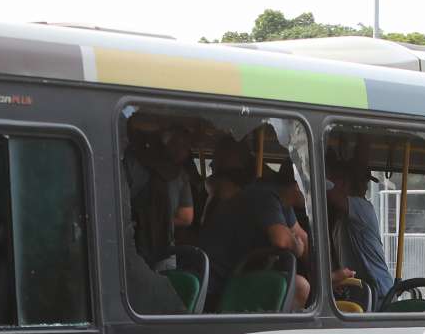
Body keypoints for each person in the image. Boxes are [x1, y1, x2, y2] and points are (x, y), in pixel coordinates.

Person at [200, 160, 311, 310]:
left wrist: (325, 278)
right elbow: (281, 240)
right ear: (298, 186)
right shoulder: (264, 195)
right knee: (300, 286)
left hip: (236, 275)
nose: (315, 195)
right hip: (217, 285)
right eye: (311, 188)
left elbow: (302, 236)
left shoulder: (283, 201)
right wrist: (297, 246)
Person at [327, 155, 393, 308]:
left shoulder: (363, 208)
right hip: (359, 292)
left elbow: (331, 194)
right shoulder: (339, 219)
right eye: (363, 181)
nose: (366, 186)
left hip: (379, 294)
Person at [126, 124, 194, 268]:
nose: (184, 151)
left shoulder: (132, 163)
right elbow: (185, 217)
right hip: (164, 249)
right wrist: (161, 221)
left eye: (186, 146)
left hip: (132, 247)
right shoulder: (180, 176)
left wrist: (147, 220)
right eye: (180, 145)